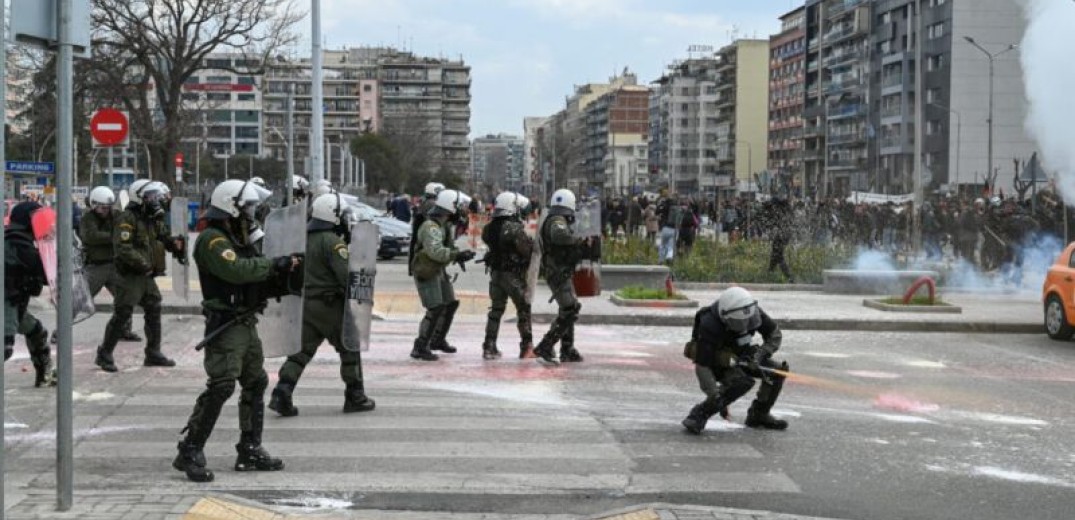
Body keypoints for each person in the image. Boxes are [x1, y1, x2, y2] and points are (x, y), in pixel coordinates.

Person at [173, 179, 304, 483]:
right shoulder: (212, 240)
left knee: (255, 382)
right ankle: (189, 450)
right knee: (221, 385)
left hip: (245, 321)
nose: (250, 212)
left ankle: (249, 448)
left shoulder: (239, 238)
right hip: (226, 324)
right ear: (231, 205)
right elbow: (238, 271)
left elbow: (253, 271)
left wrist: (284, 273)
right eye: (246, 206)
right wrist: (274, 264)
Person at [269, 193, 376, 417]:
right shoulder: (332, 242)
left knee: (300, 352)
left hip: (307, 305)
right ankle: (355, 395)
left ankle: (282, 391)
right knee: (350, 347)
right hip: (330, 306)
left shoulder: (302, 239)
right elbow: (345, 276)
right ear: (333, 216)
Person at [95, 180, 183, 372]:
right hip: (130, 275)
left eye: (155, 196)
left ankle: (153, 352)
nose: (154, 200)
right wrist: (143, 265)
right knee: (123, 313)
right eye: (150, 196)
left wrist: (174, 243)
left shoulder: (151, 218)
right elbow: (123, 249)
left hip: (146, 275)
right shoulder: (127, 218)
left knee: (154, 307)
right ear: (139, 197)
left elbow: (163, 236)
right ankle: (104, 353)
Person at [682, 287, 790, 434]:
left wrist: (759, 356)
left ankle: (759, 414)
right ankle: (698, 415)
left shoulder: (750, 309)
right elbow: (703, 366)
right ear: (725, 317)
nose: (745, 326)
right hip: (718, 361)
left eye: (748, 322)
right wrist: (715, 397)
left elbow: (774, 335)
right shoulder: (709, 324)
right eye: (740, 323)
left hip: (745, 356)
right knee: (741, 382)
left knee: (777, 372)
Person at [409, 189, 475, 361]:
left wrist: (459, 254)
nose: (461, 211)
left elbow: (446, 249)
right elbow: (436, 251)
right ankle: (420, 346)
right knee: (435, 307)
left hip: (437, 269)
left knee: (450, 304)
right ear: (449, 208)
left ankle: (437, 340)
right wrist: (456, 255)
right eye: (459, 207)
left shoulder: (444, 225)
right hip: (426, 270)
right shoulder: (430, 227)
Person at [532, 189, 589, 364]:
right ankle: (546, 345)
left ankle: (567, 348)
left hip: (558, 270)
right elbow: (559, 235)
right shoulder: (557, 220)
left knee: (567, 309)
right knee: (571, 308)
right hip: (557, 271)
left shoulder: (553, 217)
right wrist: (578, 240)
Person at [80, 186, 141, 342]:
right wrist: (115, 236)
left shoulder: (115, 215)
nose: (105, 210)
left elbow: (125, 227)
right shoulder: (88, 218)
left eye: (107, 207)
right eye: (102, 207)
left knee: (125, 298)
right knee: (79, 299)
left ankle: (124, 329)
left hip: (114, 265)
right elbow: (91, 237)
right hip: (96, 267)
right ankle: (60, 332)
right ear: (93, 205)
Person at [480, 192, 536, 360]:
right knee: (523, 309)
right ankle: (526, 347)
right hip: (512, 276)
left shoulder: (488, 228)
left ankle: (489, 346)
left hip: (495, 275)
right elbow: (527, 251)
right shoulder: (513, 228)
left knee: (496, 310)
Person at [4, 201, 54, 387]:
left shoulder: (18, 239)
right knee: (4, 347)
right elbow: (42, 271)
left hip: (14, 302)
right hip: (6, 302)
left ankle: (44, 374)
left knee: (36, 331)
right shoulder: (18, 243)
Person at [408, 182, 445, 277]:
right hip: (424, 229)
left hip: (420, 228)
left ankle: (412, 267)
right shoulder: (431, 203)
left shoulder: (425, 201)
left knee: (415, 245)